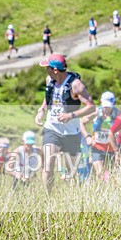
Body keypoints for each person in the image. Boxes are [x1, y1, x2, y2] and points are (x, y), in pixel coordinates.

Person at [34, 54, 95, 192]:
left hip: (71, 132)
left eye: (47, 67)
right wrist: (42, 110)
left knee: (71, 170)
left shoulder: (75, 85)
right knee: (48, 164)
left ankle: (72, 195)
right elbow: (48, 96)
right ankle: (48, 198)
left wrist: (71, 115)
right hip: (52, 128)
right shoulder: (49, 80)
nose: (46, 70)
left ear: (55, 69)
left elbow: (91, 106)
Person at [81, 91, 120, 180]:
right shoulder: (95, 112)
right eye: (104, 106)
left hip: (112, 149)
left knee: (111, 176)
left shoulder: (118, 113)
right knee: (100, 173)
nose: (106, 109)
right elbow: (82, 122)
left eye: (109, 106)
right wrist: (87, 137)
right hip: (97, 148)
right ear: (101, 102)